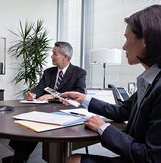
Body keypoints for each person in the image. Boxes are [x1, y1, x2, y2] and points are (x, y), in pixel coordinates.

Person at [60, 5, 161, 163]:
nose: (124, 46)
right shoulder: (150, 81)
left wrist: (103, 127)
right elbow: (122, 111)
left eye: (127, 38)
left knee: (73, 160)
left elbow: (152, 158)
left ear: (146, 40)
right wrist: (83, 98)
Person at [2, 41, 87, 163]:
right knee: (26, 124)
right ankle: (19, 157)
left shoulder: (79, 72)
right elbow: (40, 87)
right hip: (44, 109)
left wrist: (52, 97)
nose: (51, 56)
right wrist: (32, 94)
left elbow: (78, 94)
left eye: (54, 54)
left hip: (64, 112)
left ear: (65, 57)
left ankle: (19, 158)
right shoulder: (49, 72)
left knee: (34, 128)